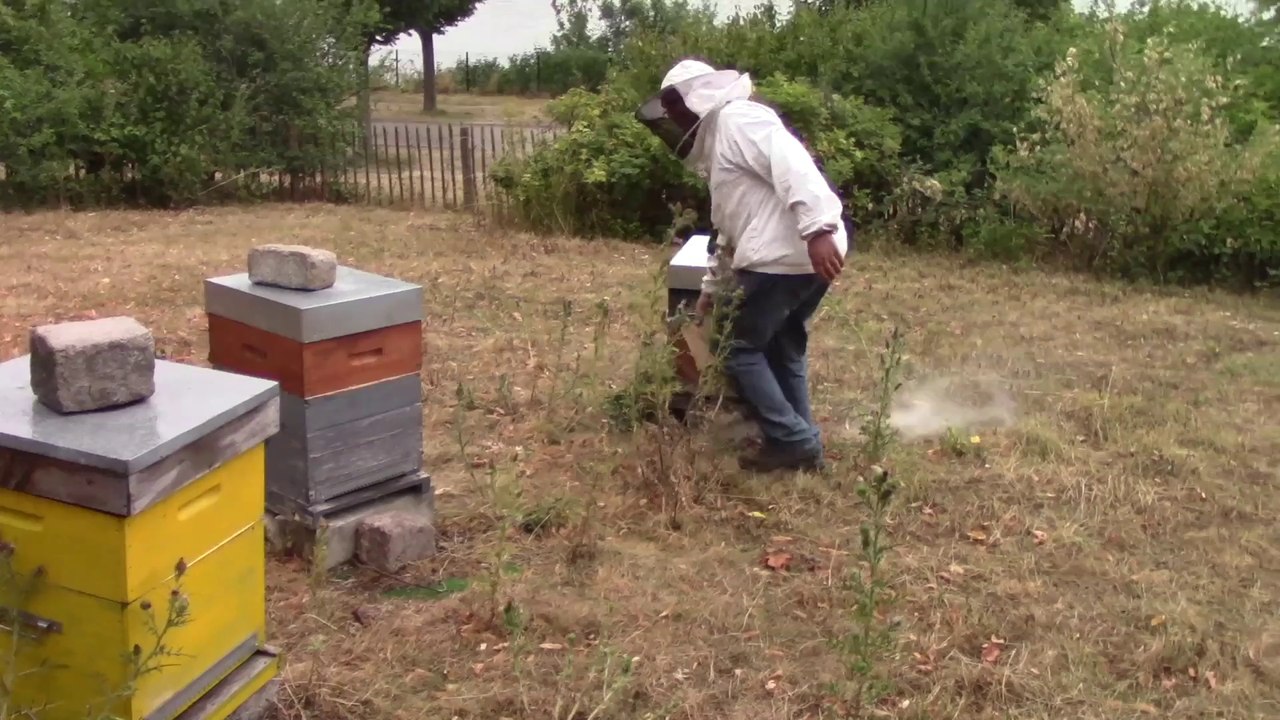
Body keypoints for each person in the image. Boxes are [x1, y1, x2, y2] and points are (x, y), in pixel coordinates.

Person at [636, 59, 849, 473]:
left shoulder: (738, 119)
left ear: (696, 97)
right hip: (797, 254)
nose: (674, 118)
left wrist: (818, 227)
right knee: (783, 345)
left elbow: (792, 163)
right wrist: (710, 291)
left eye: (676, 107)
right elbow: (727, 231)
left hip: (786, 254)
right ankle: (802, 441)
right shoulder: (719, 147)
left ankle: (794, 440)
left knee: (737, 349)